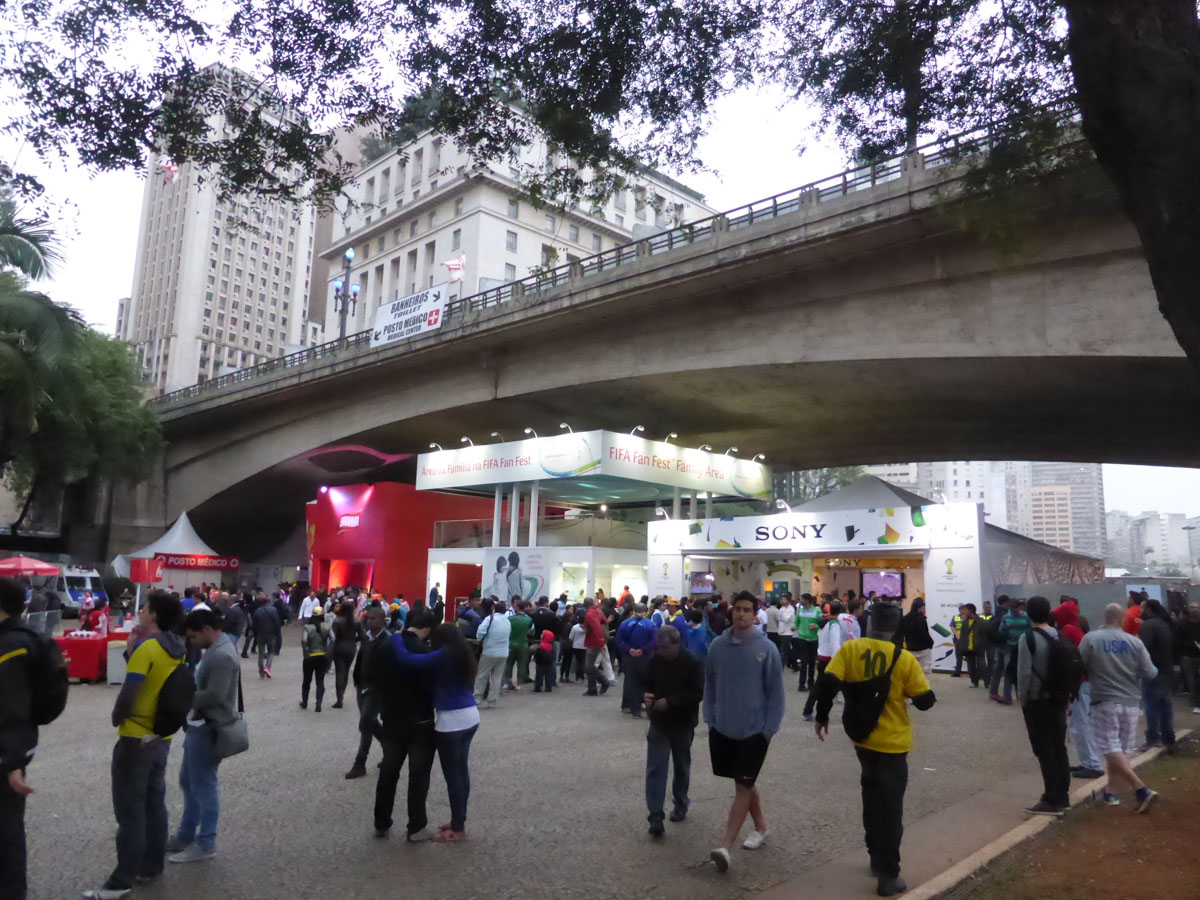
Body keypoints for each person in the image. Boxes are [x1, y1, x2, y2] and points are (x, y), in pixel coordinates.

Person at [813, 602, 935, 897]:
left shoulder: (850, 650)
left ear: (869, 624)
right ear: (895, 627)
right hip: (893, 744)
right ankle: (888, 874)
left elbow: (828, 682)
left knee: (870, 797)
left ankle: (874, 854)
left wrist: (822, 716)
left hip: (863, 742)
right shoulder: (903, 658)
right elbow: (924, 701)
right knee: (890, 808)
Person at [83, 591, 186, 900]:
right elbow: (156, 682)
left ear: (153, 615)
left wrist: (117, 717)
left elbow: (131, 690)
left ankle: (121, 881)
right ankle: (151, 865)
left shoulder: (148, 648)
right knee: (154, 804)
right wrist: (131, 651)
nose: (140, 612)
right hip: (160, 736)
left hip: (135, 735)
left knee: (129, 810)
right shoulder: (175, 647)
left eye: (144, 608)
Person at [704, 591, 785, 874]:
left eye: (747, 609)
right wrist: (710, 718)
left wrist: (769, 729)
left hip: (755, 731)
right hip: (723, 727)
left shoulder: (767, 649)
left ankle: (726, 846)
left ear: (755, 613)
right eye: (737, 608)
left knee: (743, 785)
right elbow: (710, 684)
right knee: (744, 783)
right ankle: (760, 827)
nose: (741, 614)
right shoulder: (717, 646)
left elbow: (776, 693)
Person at [386, 623, 481, 841]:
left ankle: (458, 829)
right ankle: (458, 819)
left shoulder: (444, 655)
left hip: (451, 721)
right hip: (470, 715)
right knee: (461, 773)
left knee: (453, 776)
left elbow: (408, 660)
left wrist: (398, 637)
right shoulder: (463, 654)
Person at [1, 577, 63, 900]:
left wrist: (13, 763)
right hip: (11, 751)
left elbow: (11, 708)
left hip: (4, 757)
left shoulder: (10, 646)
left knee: (7, 832)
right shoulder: (24, 638)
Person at [166, 608, 239, 863]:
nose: (192, 642)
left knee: (203, 785)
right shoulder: (218, 649)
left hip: (208, 727)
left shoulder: (221, 655)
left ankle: (206, 842)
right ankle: (187, 835)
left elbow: (215, 695)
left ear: (207, 630)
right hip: (201, 725)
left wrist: (182, 699)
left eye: (194, 636)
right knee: (189, 782)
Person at [1078, 603, 1159, 812]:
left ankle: (1140, 789)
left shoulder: (1091, 639)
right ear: (1122, 619)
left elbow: (1079, 665)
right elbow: (1150, 672)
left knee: (1109, 747)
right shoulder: (1135, 642)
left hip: (1104, 699)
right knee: (1120, 749)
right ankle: (1111, 792)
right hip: (1131, 702)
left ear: (1104, 617)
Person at [373, 610, 438, 841]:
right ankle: (416, 826)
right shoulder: (425, 652)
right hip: (420, 721)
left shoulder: (386, 647)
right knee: (418, 776)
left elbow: (373, 678)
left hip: (392, 719)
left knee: (388, 772)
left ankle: (381, 821)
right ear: (427, 629)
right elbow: (433, 687)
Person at [643, 625, 703, 837]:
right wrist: (647, 696)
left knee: (681, 765)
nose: (661, 652)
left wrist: (670, 702)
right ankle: (655, 816)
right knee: (655, 768)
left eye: (665, 648)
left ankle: (680, 802)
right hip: (659, 722)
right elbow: (646, 683)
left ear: (677, 643)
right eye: (658, 647)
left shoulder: (693, 662)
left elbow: (698, 693)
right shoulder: (655, 660)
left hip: (683, 722)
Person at [1016, 597, 1072, 816]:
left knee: (1044, 749)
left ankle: (1051, 799)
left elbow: (1024, 672)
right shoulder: (1058, 634)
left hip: (1038, 700)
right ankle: (1063, 795)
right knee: (1059, 746)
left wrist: (1023, 698)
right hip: (1059, 699)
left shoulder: (1028, 638)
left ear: (1028, 614)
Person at [1052, 598, 1103, 779]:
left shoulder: (1067, 630)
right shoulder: (1076, 629)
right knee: (1080, 724)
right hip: (1083, 682)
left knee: (1080, 724)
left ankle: (1092, 764)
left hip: (1079, 684)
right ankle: (1087, 762)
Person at [345, 605, 390, 779]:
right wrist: (357, 681)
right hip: (362, 687)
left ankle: (360, 763)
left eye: (373, 619)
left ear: (382, 620)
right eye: (368, 618)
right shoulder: (367, 637)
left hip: (376, 690)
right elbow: (360, 659)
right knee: (371, 723)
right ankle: (389, 749)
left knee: (365, 723)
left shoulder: (387, 641)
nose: (369, 621)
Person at [1138, 597, 1176, 754]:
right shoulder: (1164, 623)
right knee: (1165, 705)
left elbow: (1142, 648)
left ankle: (1153, 737)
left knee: (1151, 705)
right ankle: (1168, 736)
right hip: (1166, 670)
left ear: (1148, 609)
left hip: (1153, 671)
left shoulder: (1148, 625)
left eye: (1142, 608)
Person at [803, 600, 846, 720]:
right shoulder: (834, 624)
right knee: (832, 687)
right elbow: (834, 644)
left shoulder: (824, 622)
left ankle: (808, 710)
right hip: (829, 660)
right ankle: (818, 713)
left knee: (819, 686)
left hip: (822, 657)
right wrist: (837, 660)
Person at [616, 603, 658, 717]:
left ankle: (632, 707)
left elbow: (619, 640)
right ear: (645, 611)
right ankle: (645, 705)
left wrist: (629, 649)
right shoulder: (651, 625)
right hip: (645, 657)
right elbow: (654, 641)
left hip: (628, 657)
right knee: (645, 681)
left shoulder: (625, 623)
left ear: (633, 611)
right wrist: (642, 650)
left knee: (631, 681)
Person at [991, 599, 1031, 705]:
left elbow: (1031, 629)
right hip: (1009, 646)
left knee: (1021, 670)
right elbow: (1001, 631)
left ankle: (1021, 694)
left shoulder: (1026, 617)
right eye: (1010, 609)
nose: (1012, 611)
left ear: (1019, 607)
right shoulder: (1007, 617)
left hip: (1022, 646)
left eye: (1014, 608)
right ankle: (1007, 696)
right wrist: (1005, 628)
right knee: (1008, 669)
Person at [473, 599, 510, 708]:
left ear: (494, 609)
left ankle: (477, 698)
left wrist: (480, 640)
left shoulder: (490, 618)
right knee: (496, 678)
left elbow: (480, 632)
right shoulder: (508, 621)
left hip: (489, 651)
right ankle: (492, 701)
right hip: (503, 652)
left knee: (482, 675)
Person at [299, 607, 330, 712]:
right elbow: (333, 638)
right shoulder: (326, 626)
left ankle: (305, 702)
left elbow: (304, 640)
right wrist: (328, 653)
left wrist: (306, 653)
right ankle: (318, 704)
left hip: (310, 656)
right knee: (320, 681)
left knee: (306, 680)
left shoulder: (307, 627)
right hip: (322, 656)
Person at [582, 597, 615, 696]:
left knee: (589, 666)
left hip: (594, 642)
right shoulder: (597, 611)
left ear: (585, 605)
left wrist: (600, 642)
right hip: (597, 641)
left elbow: (596, 628)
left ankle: (603, 681)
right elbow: (604, 621)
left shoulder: (590, 614)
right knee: (590, 665)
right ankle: (592, 688)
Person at [330, 602, 358, 709]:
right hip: (351, 648)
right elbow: (362, 635)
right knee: (346, 671)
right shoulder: (356, 621)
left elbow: (333, 635)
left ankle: (339, 698)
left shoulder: (337, 621)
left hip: (339, 647)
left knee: (339, 672)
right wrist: (354, 640)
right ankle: (342, 694)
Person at [898, 597, 934, 676]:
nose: (924, 610)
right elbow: (924, 633)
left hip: (910, 649)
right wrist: (930, 643)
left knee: (911, 672)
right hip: (923, 649)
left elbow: (901, 634)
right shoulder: (921, 618)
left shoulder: (905, 618)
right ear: (919, 608)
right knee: (925, 673)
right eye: (923, 608)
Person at [502, 599, 534, 691]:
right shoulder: (529, 620)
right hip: (523, 645)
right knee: (521, 664)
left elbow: (506, 630)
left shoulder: (510, 619)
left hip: (511, 644)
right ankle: (519, 685)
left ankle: (506, 683)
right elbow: (532, 632)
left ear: (517, 607)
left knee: (509, 664)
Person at [794, 594, 822, 689]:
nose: (800, 600)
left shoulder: (817, 610)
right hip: (802, 638)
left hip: (813, 639)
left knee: (812, 662)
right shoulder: (800, 610)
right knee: (804, 662)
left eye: (802, 599)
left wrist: (816, 626)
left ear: (807, 600)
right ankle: (801, 684)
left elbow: (821, 623)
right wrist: (794, 626)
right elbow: (796, 621)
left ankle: (811, 683)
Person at [251, 597, 281, 679]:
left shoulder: (257, 611)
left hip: (260, 634)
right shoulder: (273, 610)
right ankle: (267, 667)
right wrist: (277, 632)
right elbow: (277, 622)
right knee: (271, 652)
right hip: (271, 633)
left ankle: (261, 671)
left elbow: (254, 624)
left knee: (261, 653)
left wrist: (255, 633)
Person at [956, 604, 984, 687]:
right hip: (968, 647)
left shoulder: (980, 621)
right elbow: (963, 635)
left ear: (970, 611)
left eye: (965, 610)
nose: (964, 612)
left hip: (979, 646)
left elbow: (984, 634)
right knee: (971, 666)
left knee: (981, 665)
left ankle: (986, 681)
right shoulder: (965, 622)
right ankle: (974, 681)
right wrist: (962, 646)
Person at [532, 628, 556, 693]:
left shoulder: (541, 646)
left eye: (542, 634)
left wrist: (536, 659)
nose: (541, 635)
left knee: (539, 676)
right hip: (550, 663)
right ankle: (548, 688)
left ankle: (538, 688)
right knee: (549, 676)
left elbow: (537, 655)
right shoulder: (552, 646)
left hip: (540, 663)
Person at [778, 594, 797, 671]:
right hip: (781, 631)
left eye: (784, 599)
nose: (782, 601)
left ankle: (780, 668)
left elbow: (787, 619)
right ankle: (795, 665)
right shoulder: (781, 608)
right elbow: (779, 619)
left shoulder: (791, 609)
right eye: (782, 599)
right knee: (787, 650)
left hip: (788, 632)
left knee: (783, 650)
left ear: (788, 601)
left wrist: (782, 614)